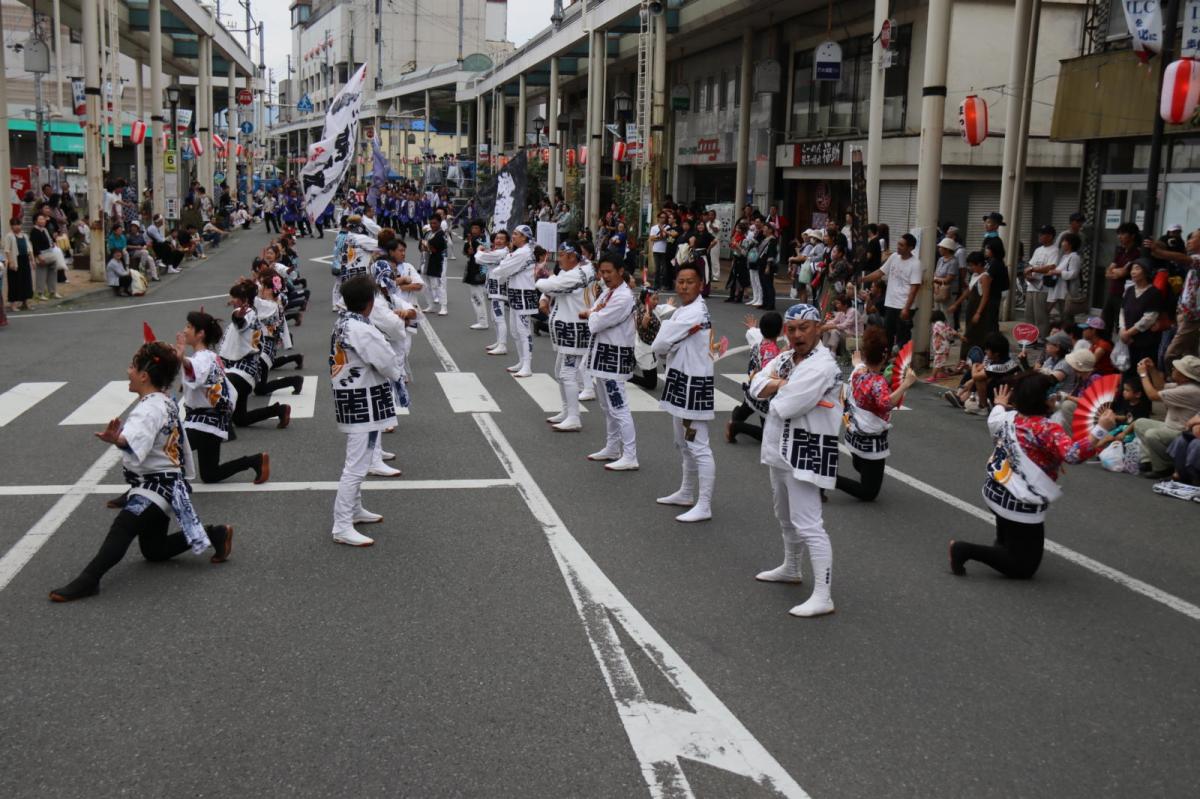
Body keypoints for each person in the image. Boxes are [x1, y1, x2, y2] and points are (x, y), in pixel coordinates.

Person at [47, 341, 234, 602]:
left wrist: (118, 440)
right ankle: (215, 534)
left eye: (132, 367)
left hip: (156, 487)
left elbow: (136, 438)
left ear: (144, 375)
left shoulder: (149, 408)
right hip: (168, 483)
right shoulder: (164, 401)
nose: (128, 371)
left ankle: (89, 580)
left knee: (123, 528)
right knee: (153, 550)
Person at [949, 371, 1114, 579]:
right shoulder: (1046, 429)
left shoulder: (1007, 417)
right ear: (1041, 400)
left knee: (1007, 539)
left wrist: (1000, 402)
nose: (1055, 397)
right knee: (1024, 567)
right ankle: (964, 550)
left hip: (997, 488)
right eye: (1050, 394)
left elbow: (994, 417)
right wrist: (1100, 429)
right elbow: (1072, 455)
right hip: (1020, 498)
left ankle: (1002, 546)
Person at [747, 303, 842, 618]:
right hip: (780, 447)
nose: (797, 334)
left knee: (809, 522)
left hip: (807, 446)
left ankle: (823, 594)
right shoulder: (787, 358)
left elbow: (786, 405)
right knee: (784, 513)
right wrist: (777, 384)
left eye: (804, 327)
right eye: (792, 329)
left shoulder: (822, 365)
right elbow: (755, 385)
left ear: (818, 329)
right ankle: (791, 566)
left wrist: (773, 386)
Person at [329, 275, 404, 547]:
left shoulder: (345, 323)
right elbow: (386, 361)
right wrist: (397, 373)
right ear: (370, 302)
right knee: (357, 464)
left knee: (361, 457)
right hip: (363, 396)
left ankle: (355, 510)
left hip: (356, 396)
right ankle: (342, 523)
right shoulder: (361, 329)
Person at [652, 264, 716, 522]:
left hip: (694, 382)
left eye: (690, 281)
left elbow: (660, 342)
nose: (684, 286)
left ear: (700, 284)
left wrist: (662, 344)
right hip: (681, 378)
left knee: (698, 445)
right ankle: (687, 492)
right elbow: (666, 340)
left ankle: (705, 504)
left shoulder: (695, 312)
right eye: (680, 281)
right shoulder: (684, 310)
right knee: (682, 442)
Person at [175, 311, 268, 484]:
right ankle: (254, 461)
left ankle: (140, 494)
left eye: (189, 326)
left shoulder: (202, 358)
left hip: (202, 422)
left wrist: (182, 359)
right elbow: (202, 377)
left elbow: (196, 369)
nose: (185, 330)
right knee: (210, 474)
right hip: (214, 422)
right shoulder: (211, 356)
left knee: (170, 453)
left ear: (200, 333)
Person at [839, 326, 918, 501]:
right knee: (869, 493)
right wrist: (906, 383)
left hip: (854, 432)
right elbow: (886, 404)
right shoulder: (878, 383)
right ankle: (829, 479)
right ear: (885, 356)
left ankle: (862, 468)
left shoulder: (858, 372)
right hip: (870, 438)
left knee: (862, 465)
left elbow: (858, 365)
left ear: (865, 354)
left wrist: (859, 361)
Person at [582, 251, 639, 471]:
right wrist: (593, 313)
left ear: (620, 271)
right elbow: (594, 312)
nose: (604, 276)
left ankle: (630, 454)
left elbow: (595, 321)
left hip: (615, 354)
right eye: (602, 272)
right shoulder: (609, 292)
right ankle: (613, 447)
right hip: (603, 352)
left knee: (619, 405)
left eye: (609, 272)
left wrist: (591, 314)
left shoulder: (623, 296)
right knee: (607, 406)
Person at [535, 241, 595, 432]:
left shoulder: (578, 274)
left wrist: (542, 279)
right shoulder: (573, 272)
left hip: (575, 329)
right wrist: (545, 296)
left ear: (571, 256)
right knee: (559, 371)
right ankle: (566, 411)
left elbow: (546, 284)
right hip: (566, 329)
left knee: (567, 373)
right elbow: (553, 287)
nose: (558, 259)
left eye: (561, 255)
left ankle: (574, 417)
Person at [218, 278, 292, 429]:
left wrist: (238, 316)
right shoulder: (249, 311)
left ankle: (222, 431)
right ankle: (279, 410)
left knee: (220, 387)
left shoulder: (248, 314)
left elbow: (241, 323)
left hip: (242, 371)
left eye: (234, 298)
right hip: (241, 370)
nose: (231, 300)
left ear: (244, 300)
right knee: (240, 419)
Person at [1133, 355, 1200, 479]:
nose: (1173, 369)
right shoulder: (1183, 385)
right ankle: (1148, 461)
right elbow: (1160, 387)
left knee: (1152, 434)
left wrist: (1143, 375)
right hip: (1170, 427)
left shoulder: (1191, 390)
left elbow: (1153, 395)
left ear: (1185, 376)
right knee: (1140, 423)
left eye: (1177, 369)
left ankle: (1163, 467)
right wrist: (1152, 370)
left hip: (1181, 432)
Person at [727, 311, 783, 443]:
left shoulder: (759, 341)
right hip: (764, 394)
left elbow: (753, 333)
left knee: (746, 408)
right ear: (780, 330)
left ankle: (736, 417)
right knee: (769, 437)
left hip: (751, 388)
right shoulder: (772, 352)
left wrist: (752, 327)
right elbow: (768, 372)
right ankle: (736, 427)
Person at [490, 225, 539, 377]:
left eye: (517, 234)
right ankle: (522, 361)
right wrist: (502, 267)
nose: (513, 236)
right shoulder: (519, 251)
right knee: (515, 330)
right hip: (516, 292)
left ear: (524, 237)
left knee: (523, 331)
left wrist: (500, 268)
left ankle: (527, 364)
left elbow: (502, 269)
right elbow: (504, 267)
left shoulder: (523, 253)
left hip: (524, 293)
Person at [863, 232, 922, 352]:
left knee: (902, 337)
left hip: (904, 306)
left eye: (902, 245)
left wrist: (906, 308)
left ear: (910, 248)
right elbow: (880, 272)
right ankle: (886, 360)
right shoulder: (894, 257)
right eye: (898, 244)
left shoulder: (916, 264)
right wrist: (863, 279)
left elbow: (914, 288)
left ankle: (903, 364)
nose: (898, 247)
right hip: (890, 304)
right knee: (887, 335)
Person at [1118, 259, 1164, 373]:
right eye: (1132, 269)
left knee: (1142, 373)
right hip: (1128, 340)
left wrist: (1128, 333)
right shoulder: (1129, 290)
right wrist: (1122, 329)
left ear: (1146, 272)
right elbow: (1122, 311)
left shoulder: (1154, 293)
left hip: (1145, 342)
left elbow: (1149, 318)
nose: (1133, 272)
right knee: (1127, 371)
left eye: (1137, 269)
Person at [948, 251, 992, 356]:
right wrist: (956, 304)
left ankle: (966, 358)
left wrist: (978, 313)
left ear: (980, 264)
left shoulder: (985, 277)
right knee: (969, 332)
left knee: (972, 335)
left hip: (979, 310)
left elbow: (985, 296)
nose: (970, 268)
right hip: (971, 308)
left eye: (972, 265)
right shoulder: (975, 275)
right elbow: (968, 290)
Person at [476, 229, 512, 356]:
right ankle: (499, 341)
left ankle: (502, 345)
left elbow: (479, 259)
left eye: (502, 238)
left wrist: (479, 250)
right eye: (497, 238)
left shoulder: (501, 252)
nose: (498, 240)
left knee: (499, 316)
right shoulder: (498, 252)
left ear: (507, 242)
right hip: (493, 286)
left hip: (499, 287)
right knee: (494, 317)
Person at [1103, 222, 1143, 333]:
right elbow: (1108, 272)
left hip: (1124, 295)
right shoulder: (1120, 251)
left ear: (1132, 236)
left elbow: (1123, 273)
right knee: (1105, 324)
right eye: (1118, 234)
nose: (1119, 237)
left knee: (1121, 325)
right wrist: (1115, 271)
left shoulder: (1136, 253)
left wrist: (1117, 271)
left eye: (1123, 234)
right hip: (1112, 292)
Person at [1024, 225, 1059, 338]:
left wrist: (1033, 269)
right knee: (1029, 314)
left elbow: (1051, 267)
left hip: (1043, 287)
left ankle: (1041, 338)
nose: (1039, 236)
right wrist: (1028, 273)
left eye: (1042, 234)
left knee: (1041, 316)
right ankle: (1029, 338)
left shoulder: (1054, 250)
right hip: (1031, 285)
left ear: (1050, 236)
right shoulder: (1038, 250)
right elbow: (1030, 264)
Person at [463, 219, 490, 330]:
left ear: (482, 230)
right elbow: (467, 252)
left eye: (476, 228)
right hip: (475, 269)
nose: (473, 230)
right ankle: (481, 320)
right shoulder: (475, 239)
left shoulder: (480, 240)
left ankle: (483, 322)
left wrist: (470, 247)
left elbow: (477, 252)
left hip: (478, 270)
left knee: (477, 296)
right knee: (476, 296)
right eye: (472, 228)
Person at [4, 217, 33, 311]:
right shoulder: (9, 236)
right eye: (15, 225)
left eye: (18, 224)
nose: (17, 227)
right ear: (11, 226)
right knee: (14, 282)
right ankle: (13, 304)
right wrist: (11, 262)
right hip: (15, 261)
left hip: (25, 260)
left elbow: (29, 248)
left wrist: (32, 260)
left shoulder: (24, 235)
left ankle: (25, 302)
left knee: (26, 281)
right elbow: (7, 250)